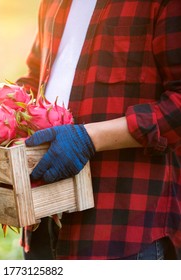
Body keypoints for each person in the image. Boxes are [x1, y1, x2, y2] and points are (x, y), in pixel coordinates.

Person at [15, 0, 181, 259]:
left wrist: (89, 138)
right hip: (42, 218)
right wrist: (0, 112)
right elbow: (36, 76)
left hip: (121, 226)